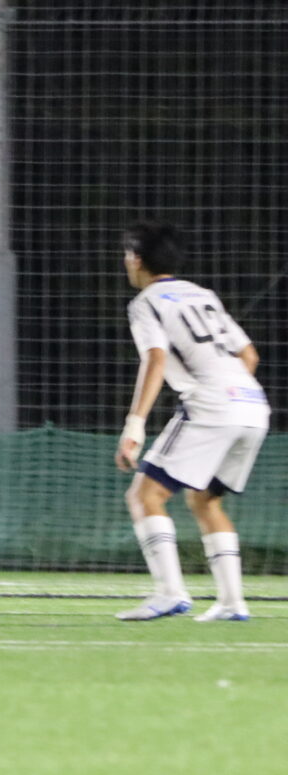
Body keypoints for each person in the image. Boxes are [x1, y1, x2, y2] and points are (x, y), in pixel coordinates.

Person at [114, 221, 268, 622]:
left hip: (213, 406)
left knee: (144, 496)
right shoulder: (203, 295)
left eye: (127, 255)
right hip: (253, 404)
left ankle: (169, 593)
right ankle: (232, 603)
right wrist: (230, 395)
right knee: (205, 499)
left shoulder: (146, 302)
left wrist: (134, 425)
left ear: (136, 260)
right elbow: (249, 355)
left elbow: (156, 358)